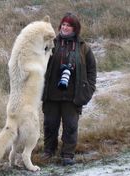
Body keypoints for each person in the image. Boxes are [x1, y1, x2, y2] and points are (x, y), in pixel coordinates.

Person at [42, 12, 97, 166]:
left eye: (69, 25)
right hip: (51, 94)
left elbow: (92, 70)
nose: (65, 28)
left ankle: (68, 155)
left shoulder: (83, 47)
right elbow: (38, 61)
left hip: (73, 95)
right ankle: (48, 152)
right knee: (49, 125)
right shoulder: (51, 42)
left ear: (75, 28)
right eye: (63, 25)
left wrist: (88, 89)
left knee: (71, 126)